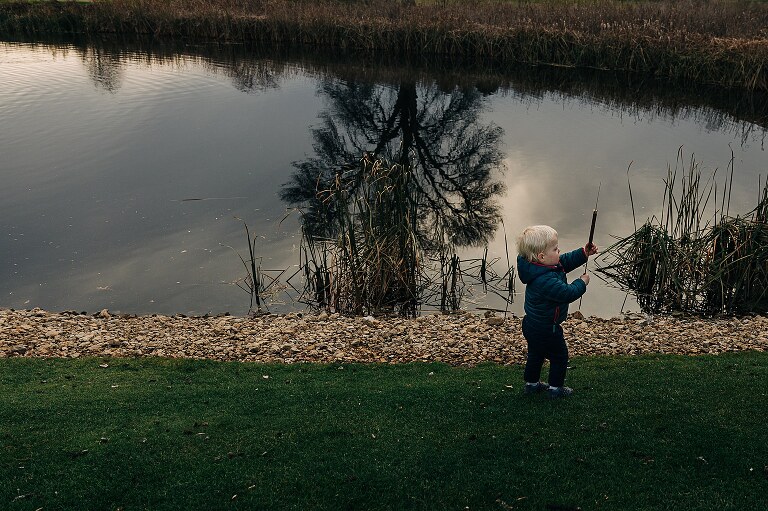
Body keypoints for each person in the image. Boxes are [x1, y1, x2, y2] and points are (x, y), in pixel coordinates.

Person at [516, 225, 598, 398]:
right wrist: (581, 282)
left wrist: (584, 252)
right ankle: (555, 389)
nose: (559, 251)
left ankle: (531, 385)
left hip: (531, 324)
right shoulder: (545, 280)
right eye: (555, 248)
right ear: (541, 256)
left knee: (536, 354)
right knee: (559, 356)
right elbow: (567, 293)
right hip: (546, 328)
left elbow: (564, 261)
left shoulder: (539, 266)